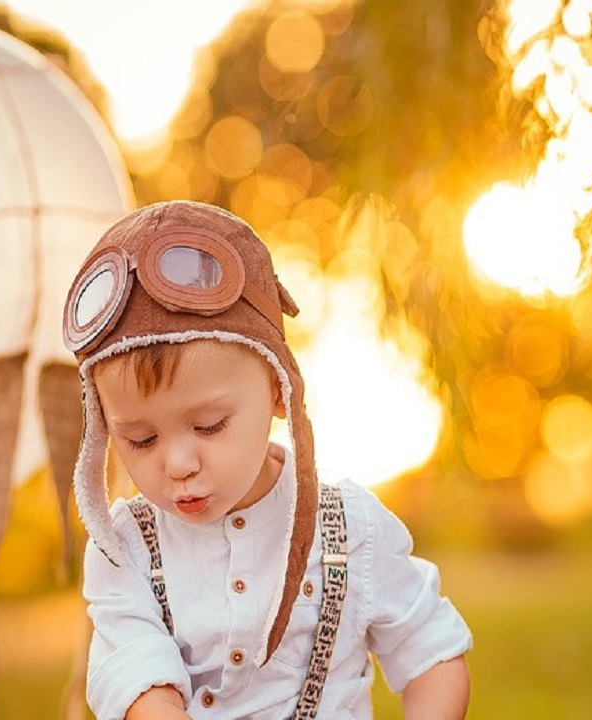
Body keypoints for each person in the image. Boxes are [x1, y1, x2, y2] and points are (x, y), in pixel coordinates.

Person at [62, 200, 472, 720]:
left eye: (210, 425)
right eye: (141, 439)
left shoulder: (350, 529)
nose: (179, 464)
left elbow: (432, 653)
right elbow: (143, 688)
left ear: (279, 391)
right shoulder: (125, 551)